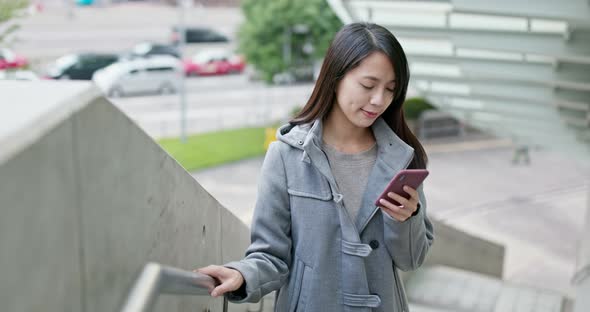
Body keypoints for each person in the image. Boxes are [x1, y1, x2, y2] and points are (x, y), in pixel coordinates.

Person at [197, 22, 435, 312]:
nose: (379, 100)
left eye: (390, 90)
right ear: (335, 77)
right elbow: (271, 255)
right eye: (368, 85)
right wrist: (243, 275)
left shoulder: (401, 158)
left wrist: (406, 220)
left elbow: (412, 260)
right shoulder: (286, 156)